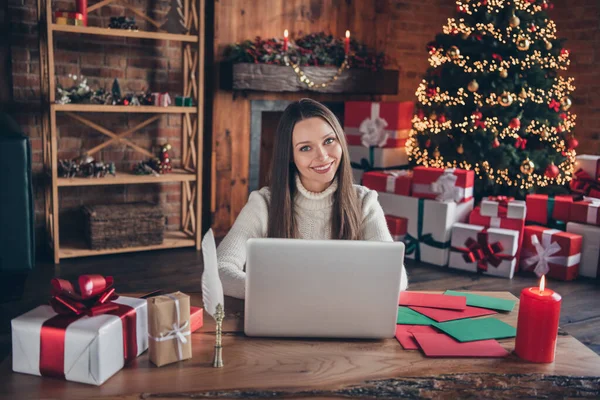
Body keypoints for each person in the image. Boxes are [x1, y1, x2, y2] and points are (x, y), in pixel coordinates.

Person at [217, 98, 408, 299]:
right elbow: (221, 268)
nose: (323, 156)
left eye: (329, 141)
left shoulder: (364, 201)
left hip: (345, 318)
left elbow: (397, 277)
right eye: (305, 148)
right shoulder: (264, 203)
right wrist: (269, 292)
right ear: (290, 155)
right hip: (281, 317)